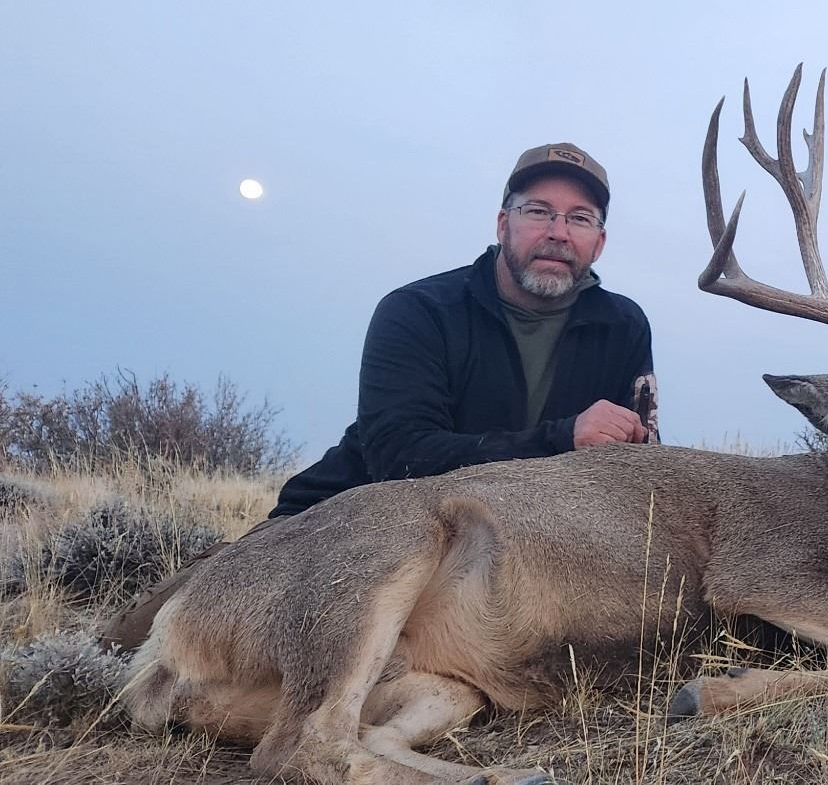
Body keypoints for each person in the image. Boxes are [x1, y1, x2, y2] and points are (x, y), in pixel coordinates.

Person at [102, 142, 657, 650]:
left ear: (599, 241)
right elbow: (400, 457)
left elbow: (639, 473)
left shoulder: (624, 326)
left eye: (579, 218)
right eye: (538, 211)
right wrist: (562, 438)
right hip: (343, 523)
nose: (558, 232)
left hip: (500, 560)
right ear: (502, 222)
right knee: (154, 647)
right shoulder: (419, 311)